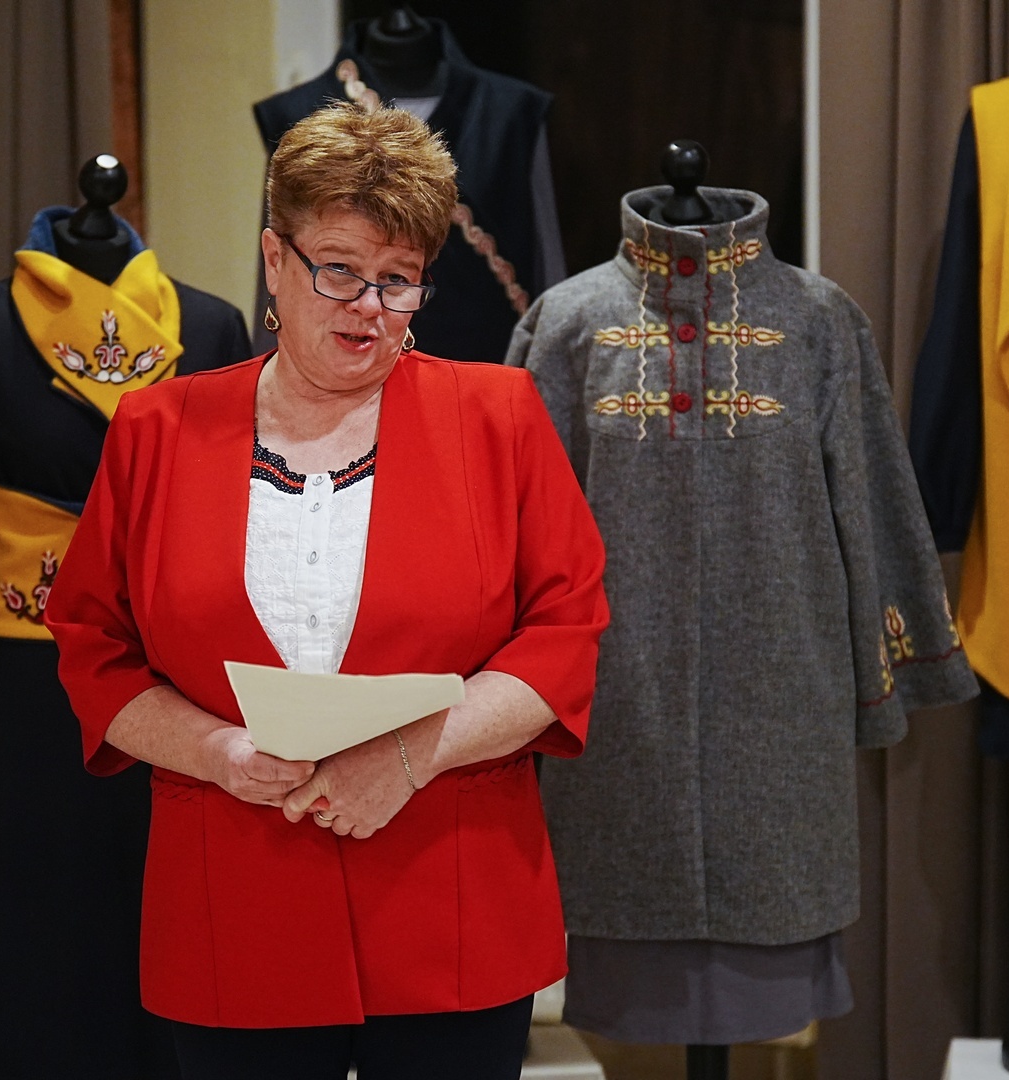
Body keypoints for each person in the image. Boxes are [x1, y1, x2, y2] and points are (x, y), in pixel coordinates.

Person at [45, 101, 609, 1080]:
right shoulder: (156, 431)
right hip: (234, 905)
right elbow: (94, 647)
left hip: (452, 903)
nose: (368, 307)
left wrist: (408, 756)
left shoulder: (500, 417)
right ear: (275, 259)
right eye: (339, 270)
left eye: (399, 279)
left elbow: (565, 631)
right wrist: (216, 751)